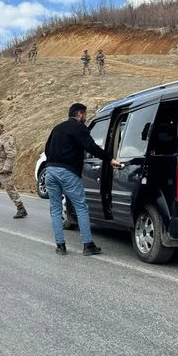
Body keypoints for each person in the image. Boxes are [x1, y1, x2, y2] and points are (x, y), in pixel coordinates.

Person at [44, 103, 120, 256]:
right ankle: (88, 245)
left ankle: (60, 246)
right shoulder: (78, 128)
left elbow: (47, 149)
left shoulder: (57, 128)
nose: (85, 118)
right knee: (81, 207)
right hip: (67, 172)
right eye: (85, 114)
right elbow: (91, 147)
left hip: (50, 171)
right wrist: (109, 159)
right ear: (79, 114)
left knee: (56, 209)